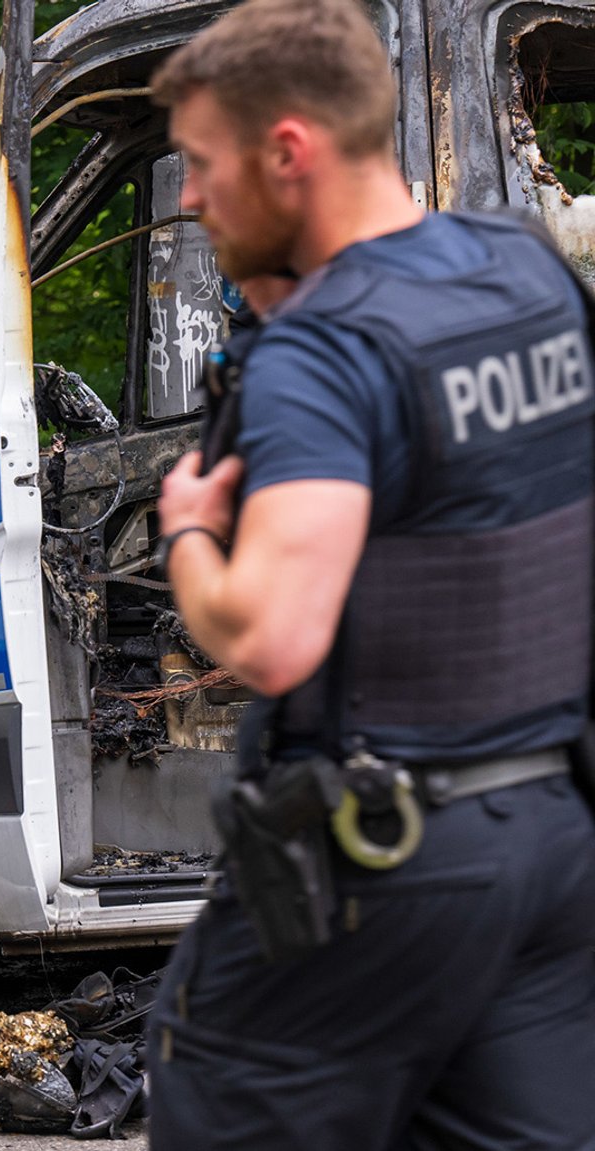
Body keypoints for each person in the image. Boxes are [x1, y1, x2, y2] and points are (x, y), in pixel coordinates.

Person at [146, 0, 595, 1144]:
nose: (189, 197)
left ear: (285, 151)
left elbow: (270, 635)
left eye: (200, 163)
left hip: (374, 863)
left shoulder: (324, 350)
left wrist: (191, 532)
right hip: (547, 841)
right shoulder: (518, 271)